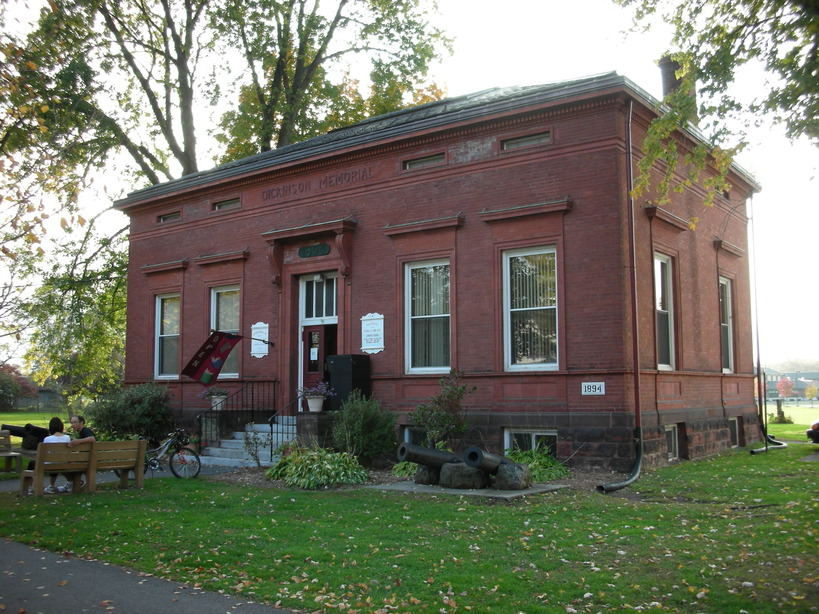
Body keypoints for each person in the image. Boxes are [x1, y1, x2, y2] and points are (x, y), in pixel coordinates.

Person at [26, 417, 71, 494]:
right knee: (56, 461)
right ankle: (51, 485)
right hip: (63, 463)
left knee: (32, 463)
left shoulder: (47, 439)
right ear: (61, 427)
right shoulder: (67, 437)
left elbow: (44, 453)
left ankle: (30, 488)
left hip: (50, 463)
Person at [62, 415, 96, 493]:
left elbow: (92, 439)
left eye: (75, 422)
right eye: (72, 423)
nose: (73, 424)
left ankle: (74, 482)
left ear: (81, 422)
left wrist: (77, 441)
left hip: (87, 461)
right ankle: (75, 482)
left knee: (64, 463)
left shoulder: (85, 430)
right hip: (86, 459)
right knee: (66, 462)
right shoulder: (82, 433)